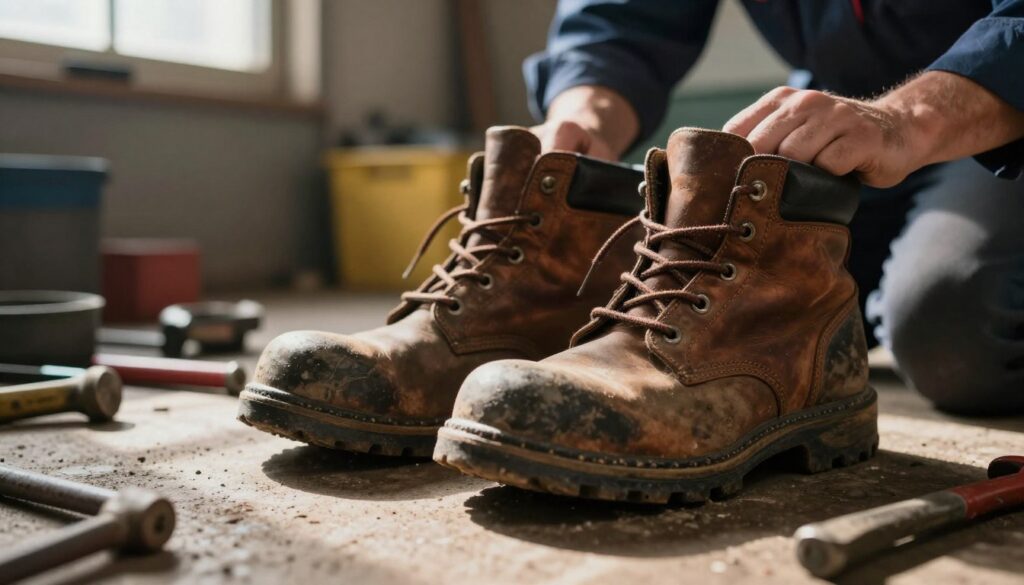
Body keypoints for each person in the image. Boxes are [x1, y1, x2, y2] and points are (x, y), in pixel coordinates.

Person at [525, 0, 1024, 414]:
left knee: (954, 330)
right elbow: (623, 19)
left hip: (997, 128)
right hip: (833, 126)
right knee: (638, 282)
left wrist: (906, 120)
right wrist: (581, 118)